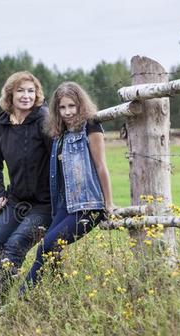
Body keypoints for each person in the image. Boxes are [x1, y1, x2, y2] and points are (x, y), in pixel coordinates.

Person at [18, 81, 114, 296]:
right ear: (56, 110)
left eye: (72, 106)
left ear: (81, 105)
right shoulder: (60, 133)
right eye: (62, 107)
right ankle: (61, 293)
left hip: (89, 205)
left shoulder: (91, 126)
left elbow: (101, 166)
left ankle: (21, 297)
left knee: (46, 247)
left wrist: (108, 204)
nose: (68, 112)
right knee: (49, 248)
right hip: (66, 204)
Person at [0, 71, 53, 298]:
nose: (26, 96)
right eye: (20, 91)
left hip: (45, 202)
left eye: (31, 91)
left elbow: (57, 158)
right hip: (16, 200)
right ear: (10, 94)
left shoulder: (44, 120)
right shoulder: (2, 126)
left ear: (37, 94)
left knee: (15, 244)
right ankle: (0, 295)